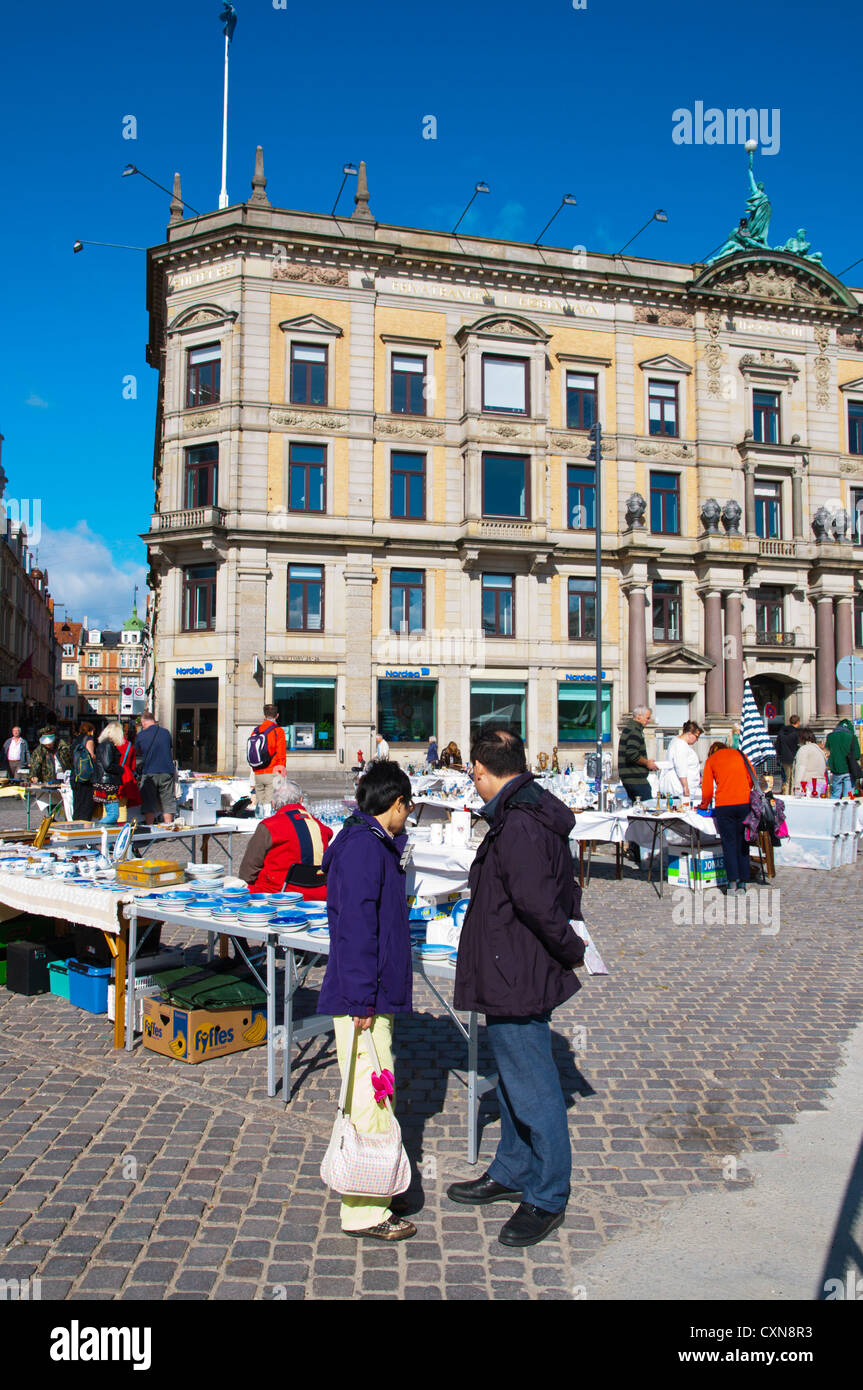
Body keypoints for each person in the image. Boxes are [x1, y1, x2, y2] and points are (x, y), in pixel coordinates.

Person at [448, 729, 585, 1248]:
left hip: (517, 970)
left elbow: (539, 905)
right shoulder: (522, 809)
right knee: (510, 1077)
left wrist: (571, 948)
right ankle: (511, 1168)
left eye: (474, 776)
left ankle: (547, 1194)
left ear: (482, 771)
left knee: (534, 1085)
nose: (474, 784)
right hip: (511, 964)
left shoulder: (520, 823)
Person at [318, 759, 415, 1241]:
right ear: (394, 805)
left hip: (372, 992)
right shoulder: (362, 850)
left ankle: (374, 1193)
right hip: (364, 996)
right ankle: (366, 1209)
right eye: (407, 807)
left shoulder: (371, 843)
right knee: (371, 1095)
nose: (408, 815)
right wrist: (359, 1000)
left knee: (373, 1089)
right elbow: (357, 932)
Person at [238, 776, 333, 899]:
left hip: (279, 894)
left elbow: (248, 870)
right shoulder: (320, 827)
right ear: (300, 800)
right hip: (318, 893)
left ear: (273, 804)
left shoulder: (269, 826)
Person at [698, 740, 755, 895]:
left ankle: (732, 883)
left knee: (729, 843)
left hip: (724, 805)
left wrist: (703, 806)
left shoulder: (711, 761)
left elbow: (708, 789)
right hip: (744, 803)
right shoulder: (740, 755)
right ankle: (743, 882)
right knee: (743, 842)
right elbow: (752, 778)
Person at [135, 711, 176, 825]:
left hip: (149, 771)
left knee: (149, 802)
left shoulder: (141, 735)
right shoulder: (165, 733)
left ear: (143, 722)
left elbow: (138, 751)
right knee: (167, 800)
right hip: (166, 770)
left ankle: (150, 828)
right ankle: (168, 827)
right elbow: (169, 747)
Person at [248, 705, 287, 807]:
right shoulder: (278, 731)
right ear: (277, 715)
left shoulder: (256, 730)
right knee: (270, 805)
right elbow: (281, 754)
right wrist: (281, 775)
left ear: (264, 716)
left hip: (258, 773)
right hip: (272, 772)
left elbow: (252, 751)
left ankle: (259, 821)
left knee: (260, 805)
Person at [618, 705, 657, 803]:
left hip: (629, 778)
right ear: (639, 716)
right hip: (635, 779)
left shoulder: (629, 729)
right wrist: (647, 763)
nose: (648, 721)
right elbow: (631, 754)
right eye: (647, 718)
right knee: (646, 807)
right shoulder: (634, 731)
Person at [662, 720, 703, 800]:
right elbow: (680, 767)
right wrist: (685, 786)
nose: (697, 740)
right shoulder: (680, 745)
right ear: (689, 734)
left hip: (680, 788)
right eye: (696, 736)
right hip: (679, 789)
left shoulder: (677, 742)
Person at [94, 723, 126, 825]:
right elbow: (108, 765)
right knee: (113, 814)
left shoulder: (104, 744)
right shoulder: (108, 745)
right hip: (107, 783)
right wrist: (121, 769)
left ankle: (106, 838)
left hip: (104, 781)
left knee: (110, 812)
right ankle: (97, 830)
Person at [825, 718, 860, 798]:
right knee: (848, 796)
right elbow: (857, 755)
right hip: (849, 769)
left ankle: (833, 810)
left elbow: (827, 752)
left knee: (835, 795)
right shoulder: (852, 737)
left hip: (835, 770)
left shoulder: (830, 736)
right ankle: (846, 810)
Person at [71, 722, 97, 821]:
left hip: (75, 775)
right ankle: (84, 828)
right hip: (85, 776)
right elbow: (91, 756)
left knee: (77, 804)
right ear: (91, 730)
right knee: (86, 805)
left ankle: (76, 825)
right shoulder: (89, 739)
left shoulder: (75, 740)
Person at [791, 728, 828, 795]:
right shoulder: (819, 750)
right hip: (821, 784)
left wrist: (797, 786)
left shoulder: (804, 749)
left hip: (807, 784)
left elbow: (801, 767)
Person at [118, 723, 142, 823]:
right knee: (122, 805)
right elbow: (132, 765)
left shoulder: (111, 744)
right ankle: (121, 830)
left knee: (108, 805)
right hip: (125, 775)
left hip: (112, 776)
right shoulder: (129, 745)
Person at [775, 715, 801, 795]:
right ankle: (792, 795)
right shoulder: (797, 733)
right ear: (798, 722)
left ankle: (785, 795)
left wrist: (779, 756)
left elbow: (777, 746)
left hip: (783, 758)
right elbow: (798, 746)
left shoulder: (781, 732)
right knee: (793, 778)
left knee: (786, 779)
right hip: (794, 757)